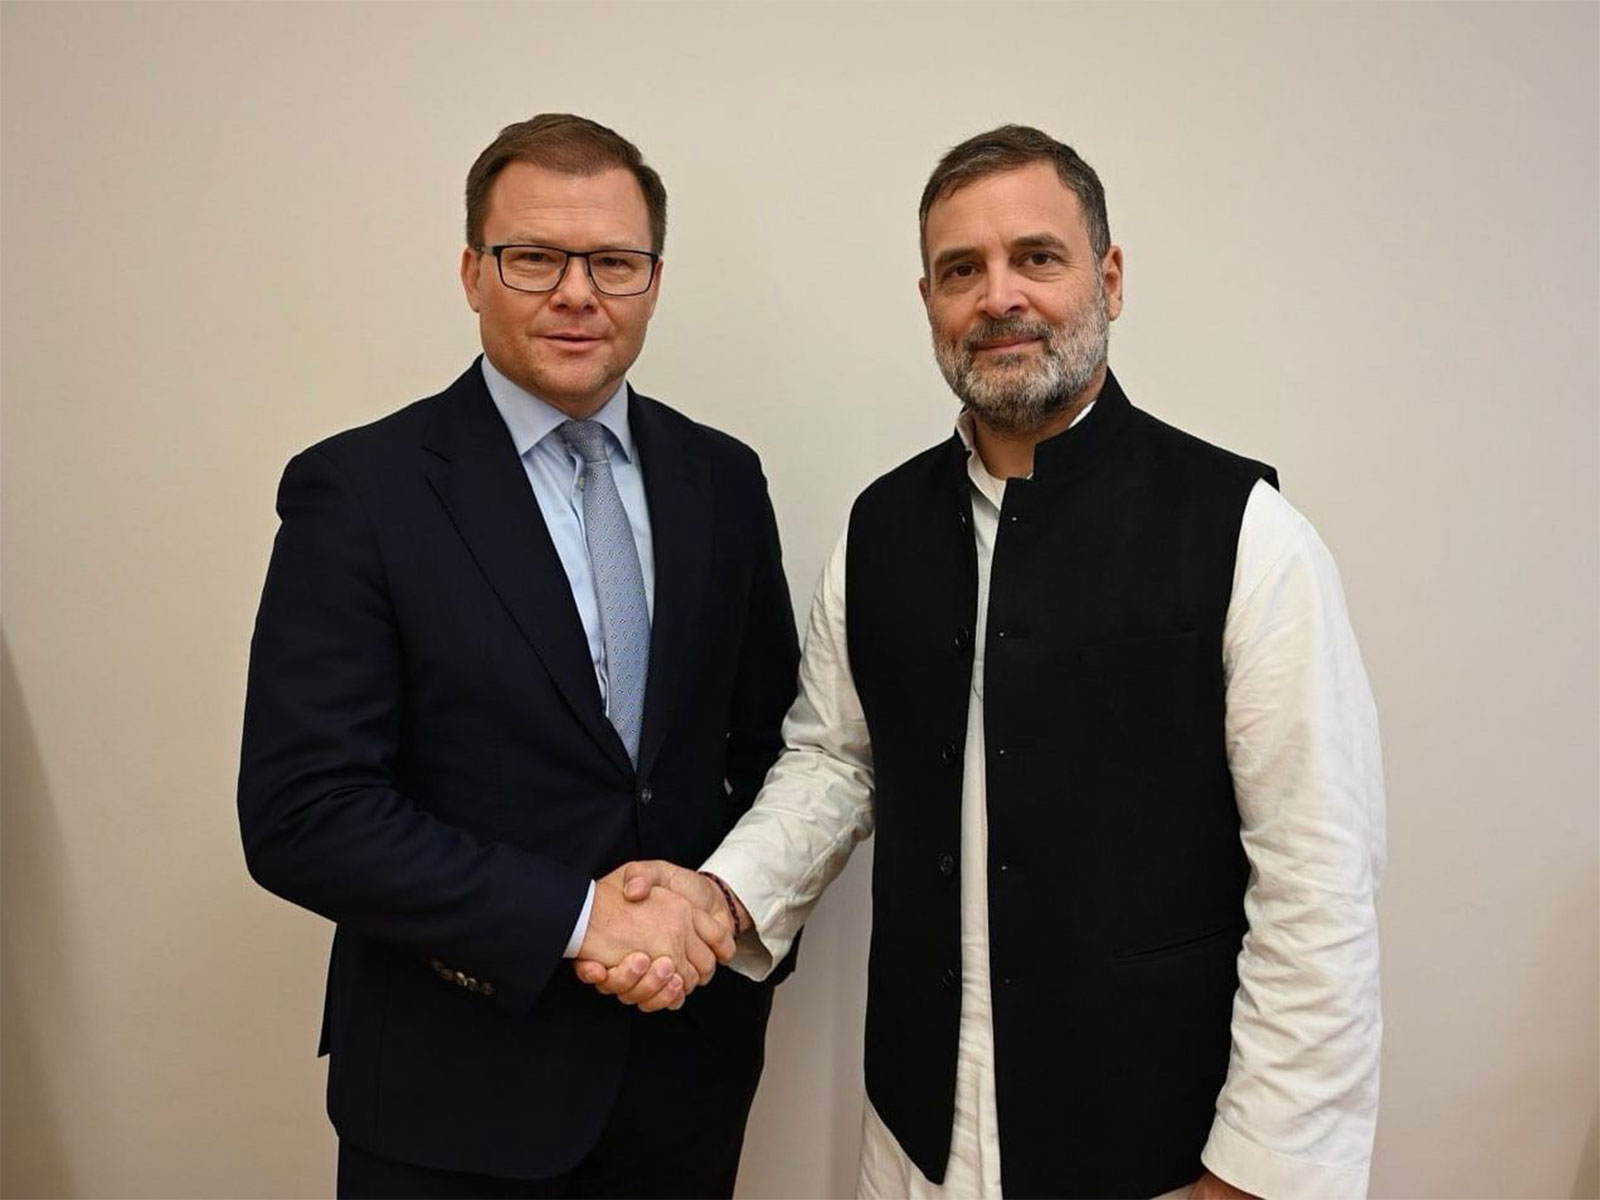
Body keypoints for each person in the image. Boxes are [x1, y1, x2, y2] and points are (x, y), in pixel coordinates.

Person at [579, 125, 1386, 1199]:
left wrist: (1258, 1172)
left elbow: (1316, 878)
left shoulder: (1246, 531)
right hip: (916, 1137)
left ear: (1106, 276)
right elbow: (836, 763)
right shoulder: (878, 529)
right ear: (928, 302)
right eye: (961, 270)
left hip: (1156, 1148)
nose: (998, 296)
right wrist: (718, 900)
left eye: (1036, 259)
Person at [238, 113, 800, 1199]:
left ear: (653, 278)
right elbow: (304, 811)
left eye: (614, 262)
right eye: (535, 256)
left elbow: (769, 749)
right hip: (455, 1096)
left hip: (684, 1077)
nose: (577, 292)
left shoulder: (722, 480)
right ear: (472, 271)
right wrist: (580, 920)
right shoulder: (361, 493)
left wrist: (710, 913)